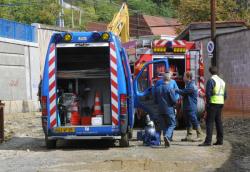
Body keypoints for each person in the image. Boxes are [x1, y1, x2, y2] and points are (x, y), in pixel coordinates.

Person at [199, 66, 227, 146]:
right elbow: (225, 95)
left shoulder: (211, 80)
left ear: (210, 72)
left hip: (212, 104)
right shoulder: (222, 81)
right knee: (218, 122)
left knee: (209, 122)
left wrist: (207, 103)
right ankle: (220, 140)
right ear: (217, 72)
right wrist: (221, 101)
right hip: (220, 103)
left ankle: (208, 141)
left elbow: (208, 94)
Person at [176, 72, 203, 142]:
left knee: (194, 120)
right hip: (187, 106)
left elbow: (183, 92)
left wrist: (176, 90)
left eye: (184, 76)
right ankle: (189, 136)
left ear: (188, 78)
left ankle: (200, 135)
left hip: (191, 106)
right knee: (188, 121)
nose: (183, 78)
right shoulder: (188, 85)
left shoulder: (191, 86)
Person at [155, 72, 179, 147]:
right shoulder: (170, 88)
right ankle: (167, 136)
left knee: (164, 126)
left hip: (160, 110)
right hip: (169, 109)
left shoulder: (157, 88)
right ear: (170, 79)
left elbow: (155, 100)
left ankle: (166, 142)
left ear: (162, 79)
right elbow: (174, 100)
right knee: (172, 124)